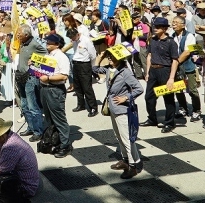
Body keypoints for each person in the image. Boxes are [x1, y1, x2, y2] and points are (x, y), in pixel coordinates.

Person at [93, 46, 144, 179]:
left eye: (112, 56)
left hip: (123, 109)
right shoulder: (109, 69)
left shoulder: (125, 72)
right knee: (118, 136)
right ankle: (125, 160)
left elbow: (139, 88)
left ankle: (133, 166)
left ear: (120, 58)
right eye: (109, 56)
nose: (110, 58)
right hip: (113, 108)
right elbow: (95, 69)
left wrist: (126, 97)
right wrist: (101, 56)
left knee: (127, 138)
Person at [141, 17, 180, 133]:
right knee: (149, 97)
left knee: (168, 99)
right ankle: (152, 118)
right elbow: (149, 56)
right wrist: (147, 72)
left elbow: (175, 60)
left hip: (165, 71)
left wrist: (171, 78)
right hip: (153, 71)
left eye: (158, 27)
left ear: (164, 28)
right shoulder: (153, 40)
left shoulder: (171, 42)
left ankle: (169, 122)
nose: (155, 29)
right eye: (154, 27)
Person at [38, 33, 73, 158]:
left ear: (57, 45)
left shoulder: (61, 57)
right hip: (45, 88)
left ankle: (66, 145)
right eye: (47, 42)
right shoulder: (48, 55)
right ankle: (54, 140)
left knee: (59, 118)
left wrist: (48, 78)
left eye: (49, 43)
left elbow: (64, 76)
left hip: (55, 89)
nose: (47, 44)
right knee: (49, 117)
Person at [14, 24, 46, 142]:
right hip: (21, 77)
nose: (17, 35)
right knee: (24, 105)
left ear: (26, 35)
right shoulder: (22, 43)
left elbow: (46, 53)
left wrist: (35, 60)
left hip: (30, 78)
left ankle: (38, 131)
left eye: (19, 34)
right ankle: (30, 127)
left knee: (33, 106)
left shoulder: (34, 44)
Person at [171, 17, 202, 123]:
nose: (174, 24)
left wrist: (177, 62)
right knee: (178, 89)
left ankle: (197, 110)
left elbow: (188, 51)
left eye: (176, 22)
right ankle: (183, 108)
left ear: (183, 25)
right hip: (177, 68)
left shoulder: (189, 36)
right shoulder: (172, 35)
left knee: (193, 90)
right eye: (173, 22)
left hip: (188, 66)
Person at [66, 27, 98, 117]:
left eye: (73, 37)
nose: (72, 40)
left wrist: (91, 66)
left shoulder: (86, 40)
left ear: (77, 34)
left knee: (87, 87)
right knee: (78, 87)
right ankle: (81, 104)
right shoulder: (75, 41)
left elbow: (93, 54)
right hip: (76, 64)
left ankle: (93, 107)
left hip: (84, 64)